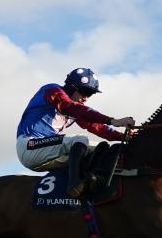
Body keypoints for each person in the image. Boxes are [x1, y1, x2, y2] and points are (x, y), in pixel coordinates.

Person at [16, 68, 135, 198]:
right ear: (71, 87)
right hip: (29, 145)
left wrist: (126, 137)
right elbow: (71, 107)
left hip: (45, 151)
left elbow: (97, 127)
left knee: (99, 148)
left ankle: (94, 186)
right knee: (80, 140)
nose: (85, 98)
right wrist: (112, 120)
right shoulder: (52, 90)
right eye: (85, 92)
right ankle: (75, 187)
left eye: (90, 94)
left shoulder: (75, 109)